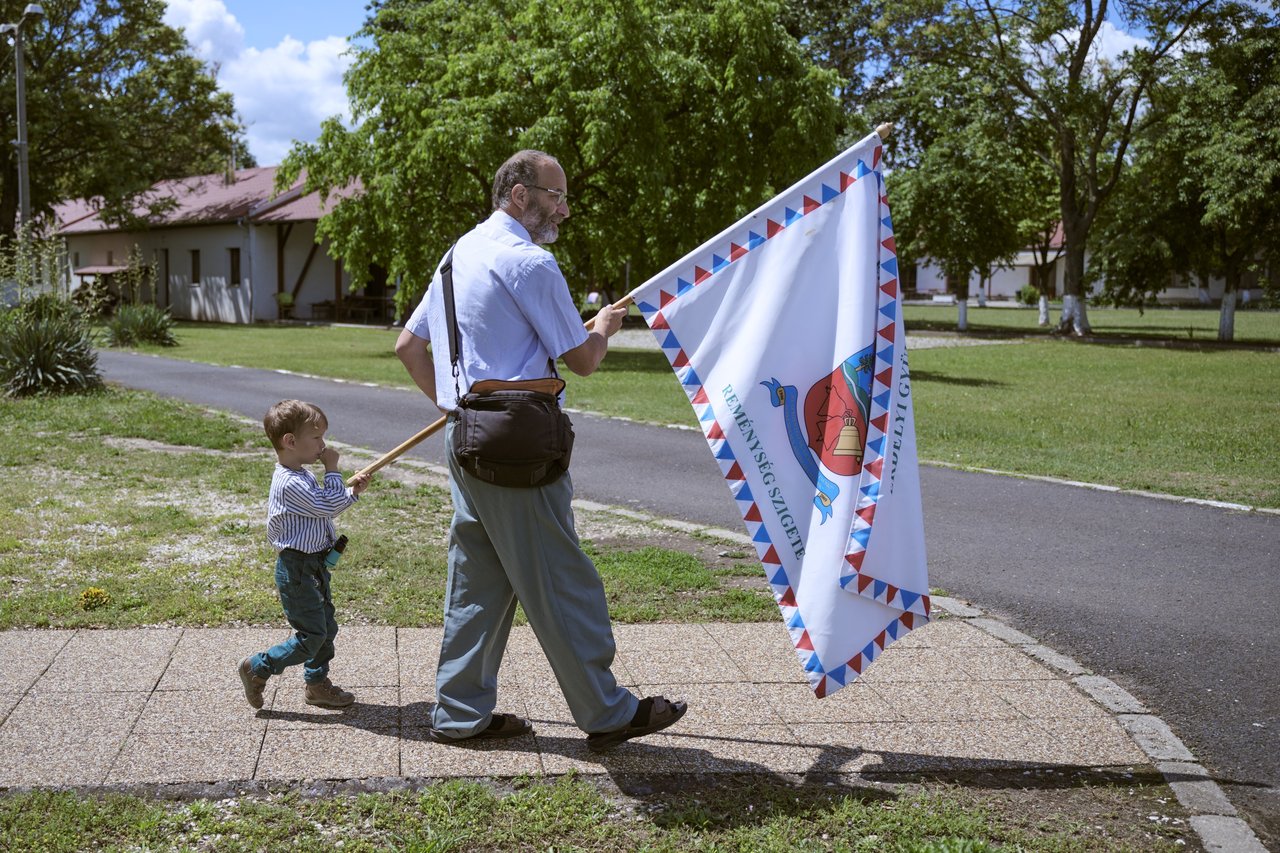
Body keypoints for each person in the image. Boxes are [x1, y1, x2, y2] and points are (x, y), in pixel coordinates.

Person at [395, 149, 686, 750]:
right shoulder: (530, 263)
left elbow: (408, 347)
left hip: (467, 438)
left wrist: (454, 408)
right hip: (518, 443)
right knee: (560, 576)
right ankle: (607, 712)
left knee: (479, 577)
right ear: (519, 193)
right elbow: (581, 360)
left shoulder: (459, 255)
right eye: (555, 195)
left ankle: (459, 712)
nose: (565, 208)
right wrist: (601, 327)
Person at [238, 399, 371, 711]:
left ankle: (316, 685)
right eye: (317, 439)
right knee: (311, 635)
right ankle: (258, 666)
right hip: (297, 569)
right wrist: (333, 468)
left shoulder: (300, 474)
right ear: (291, 441)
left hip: (313, 565)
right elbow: (327, 505)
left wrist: (352, 493)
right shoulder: (289, 482)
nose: (323, 446)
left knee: (325, 627)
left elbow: (326, 502)